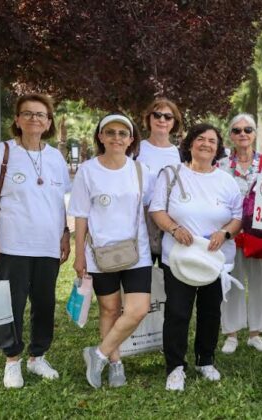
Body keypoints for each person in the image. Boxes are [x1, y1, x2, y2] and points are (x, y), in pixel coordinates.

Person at [0, 93, 70, 389]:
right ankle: (13, 361)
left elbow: (59, 202)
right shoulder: (1, 151)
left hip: (48, 245)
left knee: (44, 303)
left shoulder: (55, 157)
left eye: (41, 114)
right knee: (13, 304)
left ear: (49, 122)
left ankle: (38, 356)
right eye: (28, 114)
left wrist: (65, 234)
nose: (34, 119)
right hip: (12, 244)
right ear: (17, 120)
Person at [149, 123, 243, 392]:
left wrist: (224, 233)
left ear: (218, 148)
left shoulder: (226, 180)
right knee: (178, 312)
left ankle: (205, 360)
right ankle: (175, 367)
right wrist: (175, 228)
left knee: (210, 312)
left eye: (212, 141)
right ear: (189, 144)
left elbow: (238, 217)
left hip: (215, 260)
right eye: (200, 139)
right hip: (178, 259)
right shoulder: (172, 174)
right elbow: (157, 210)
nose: (206, 144)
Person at [69, 113, 153, 389]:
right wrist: (79, 254)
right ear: (101, 137)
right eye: (111, 132)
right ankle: (115, 363)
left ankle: (98, 354)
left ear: (131, 140)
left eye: (122, 133)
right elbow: (80, 215)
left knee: (137, 309)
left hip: (136, 252)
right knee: (109, 309)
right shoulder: (87, 171)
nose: (117, 137)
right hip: (99, 253)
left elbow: (153, 208)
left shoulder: (141, 171)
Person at [217, 114, 262, 354]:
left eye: (247, 130)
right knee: (230, 282)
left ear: (254, 134)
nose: (242, 134)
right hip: (229, 232)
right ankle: (231, 333)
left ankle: (256, 333)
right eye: (237, 130)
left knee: (260, 282)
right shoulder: (220, 165)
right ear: (230, 135)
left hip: (257, 233)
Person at [136, 97, 182, 260]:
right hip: (140, 219)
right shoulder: (136, 149)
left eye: (168, 117)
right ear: (149, 118)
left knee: (170, 274)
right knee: (142, 277)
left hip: (170, 219)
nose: (162, 120)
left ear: (174, 122)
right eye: (157, 115)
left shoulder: (181, 154)